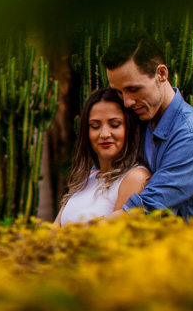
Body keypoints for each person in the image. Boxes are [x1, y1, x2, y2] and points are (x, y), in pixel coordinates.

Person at [102, 31, 193, 218]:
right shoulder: (136, 119)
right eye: (119, 92)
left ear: (162, 73)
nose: (127, 102)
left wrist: (79, 230)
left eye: (134, 89)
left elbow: (146, 209)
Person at [55, 87, 150, 226]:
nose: (104, 134)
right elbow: (54, 229)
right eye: (95, 126)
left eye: (115, 125)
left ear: (129, 127)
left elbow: (118, 234)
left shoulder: (135, 177)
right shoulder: (88, 177)